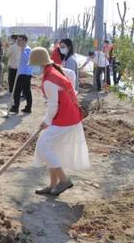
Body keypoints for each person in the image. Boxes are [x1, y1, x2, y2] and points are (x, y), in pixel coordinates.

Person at [28, 47, 89, 196]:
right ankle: (53, 185)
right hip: (68, 116)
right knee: (49, 147)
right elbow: (71, 74)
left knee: (43, 147)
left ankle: (64, 180)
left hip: (65, 118)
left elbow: (53, 105)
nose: (34, 69)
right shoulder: (56, 70)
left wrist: (46, 121)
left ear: (40, 64)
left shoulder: (49, 80)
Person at [11, 35, 33, 114]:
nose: (17, 42)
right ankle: (28, 108)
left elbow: (28, 61)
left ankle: (15, 108)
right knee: (27, 91)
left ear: (24, 41)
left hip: (24, 74)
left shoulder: (27, 49)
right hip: (23, 73)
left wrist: (23, 51)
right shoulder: (21, 49)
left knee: (17, 91)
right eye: (17, 40)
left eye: (19, 40)